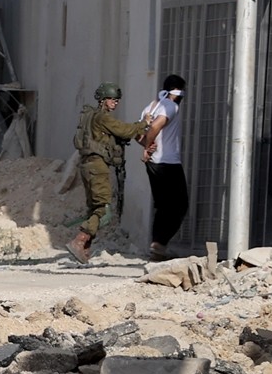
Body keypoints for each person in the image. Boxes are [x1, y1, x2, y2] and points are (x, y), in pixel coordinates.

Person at [66, 82, 150, 265]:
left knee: (93, 208)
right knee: (102, 209)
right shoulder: (102, 118)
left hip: (87, 165)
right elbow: (125, 130)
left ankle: (84, 250)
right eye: (112, 99)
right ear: (103, 100)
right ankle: (79, 240)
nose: (115, 103)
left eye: (117, 100)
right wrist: (144, 124)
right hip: (97, 165)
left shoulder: (90, 117)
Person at [138, 74, 189, 262]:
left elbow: (138, 132)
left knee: (163, 206)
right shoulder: (170, 106)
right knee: (180, 205)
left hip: (153, 162)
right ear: (178, 91)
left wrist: (146, 145)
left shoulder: (149, 107)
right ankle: (160, 242)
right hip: (168, 162)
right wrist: (148, 144)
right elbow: (157, 126)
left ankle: (157, 248)